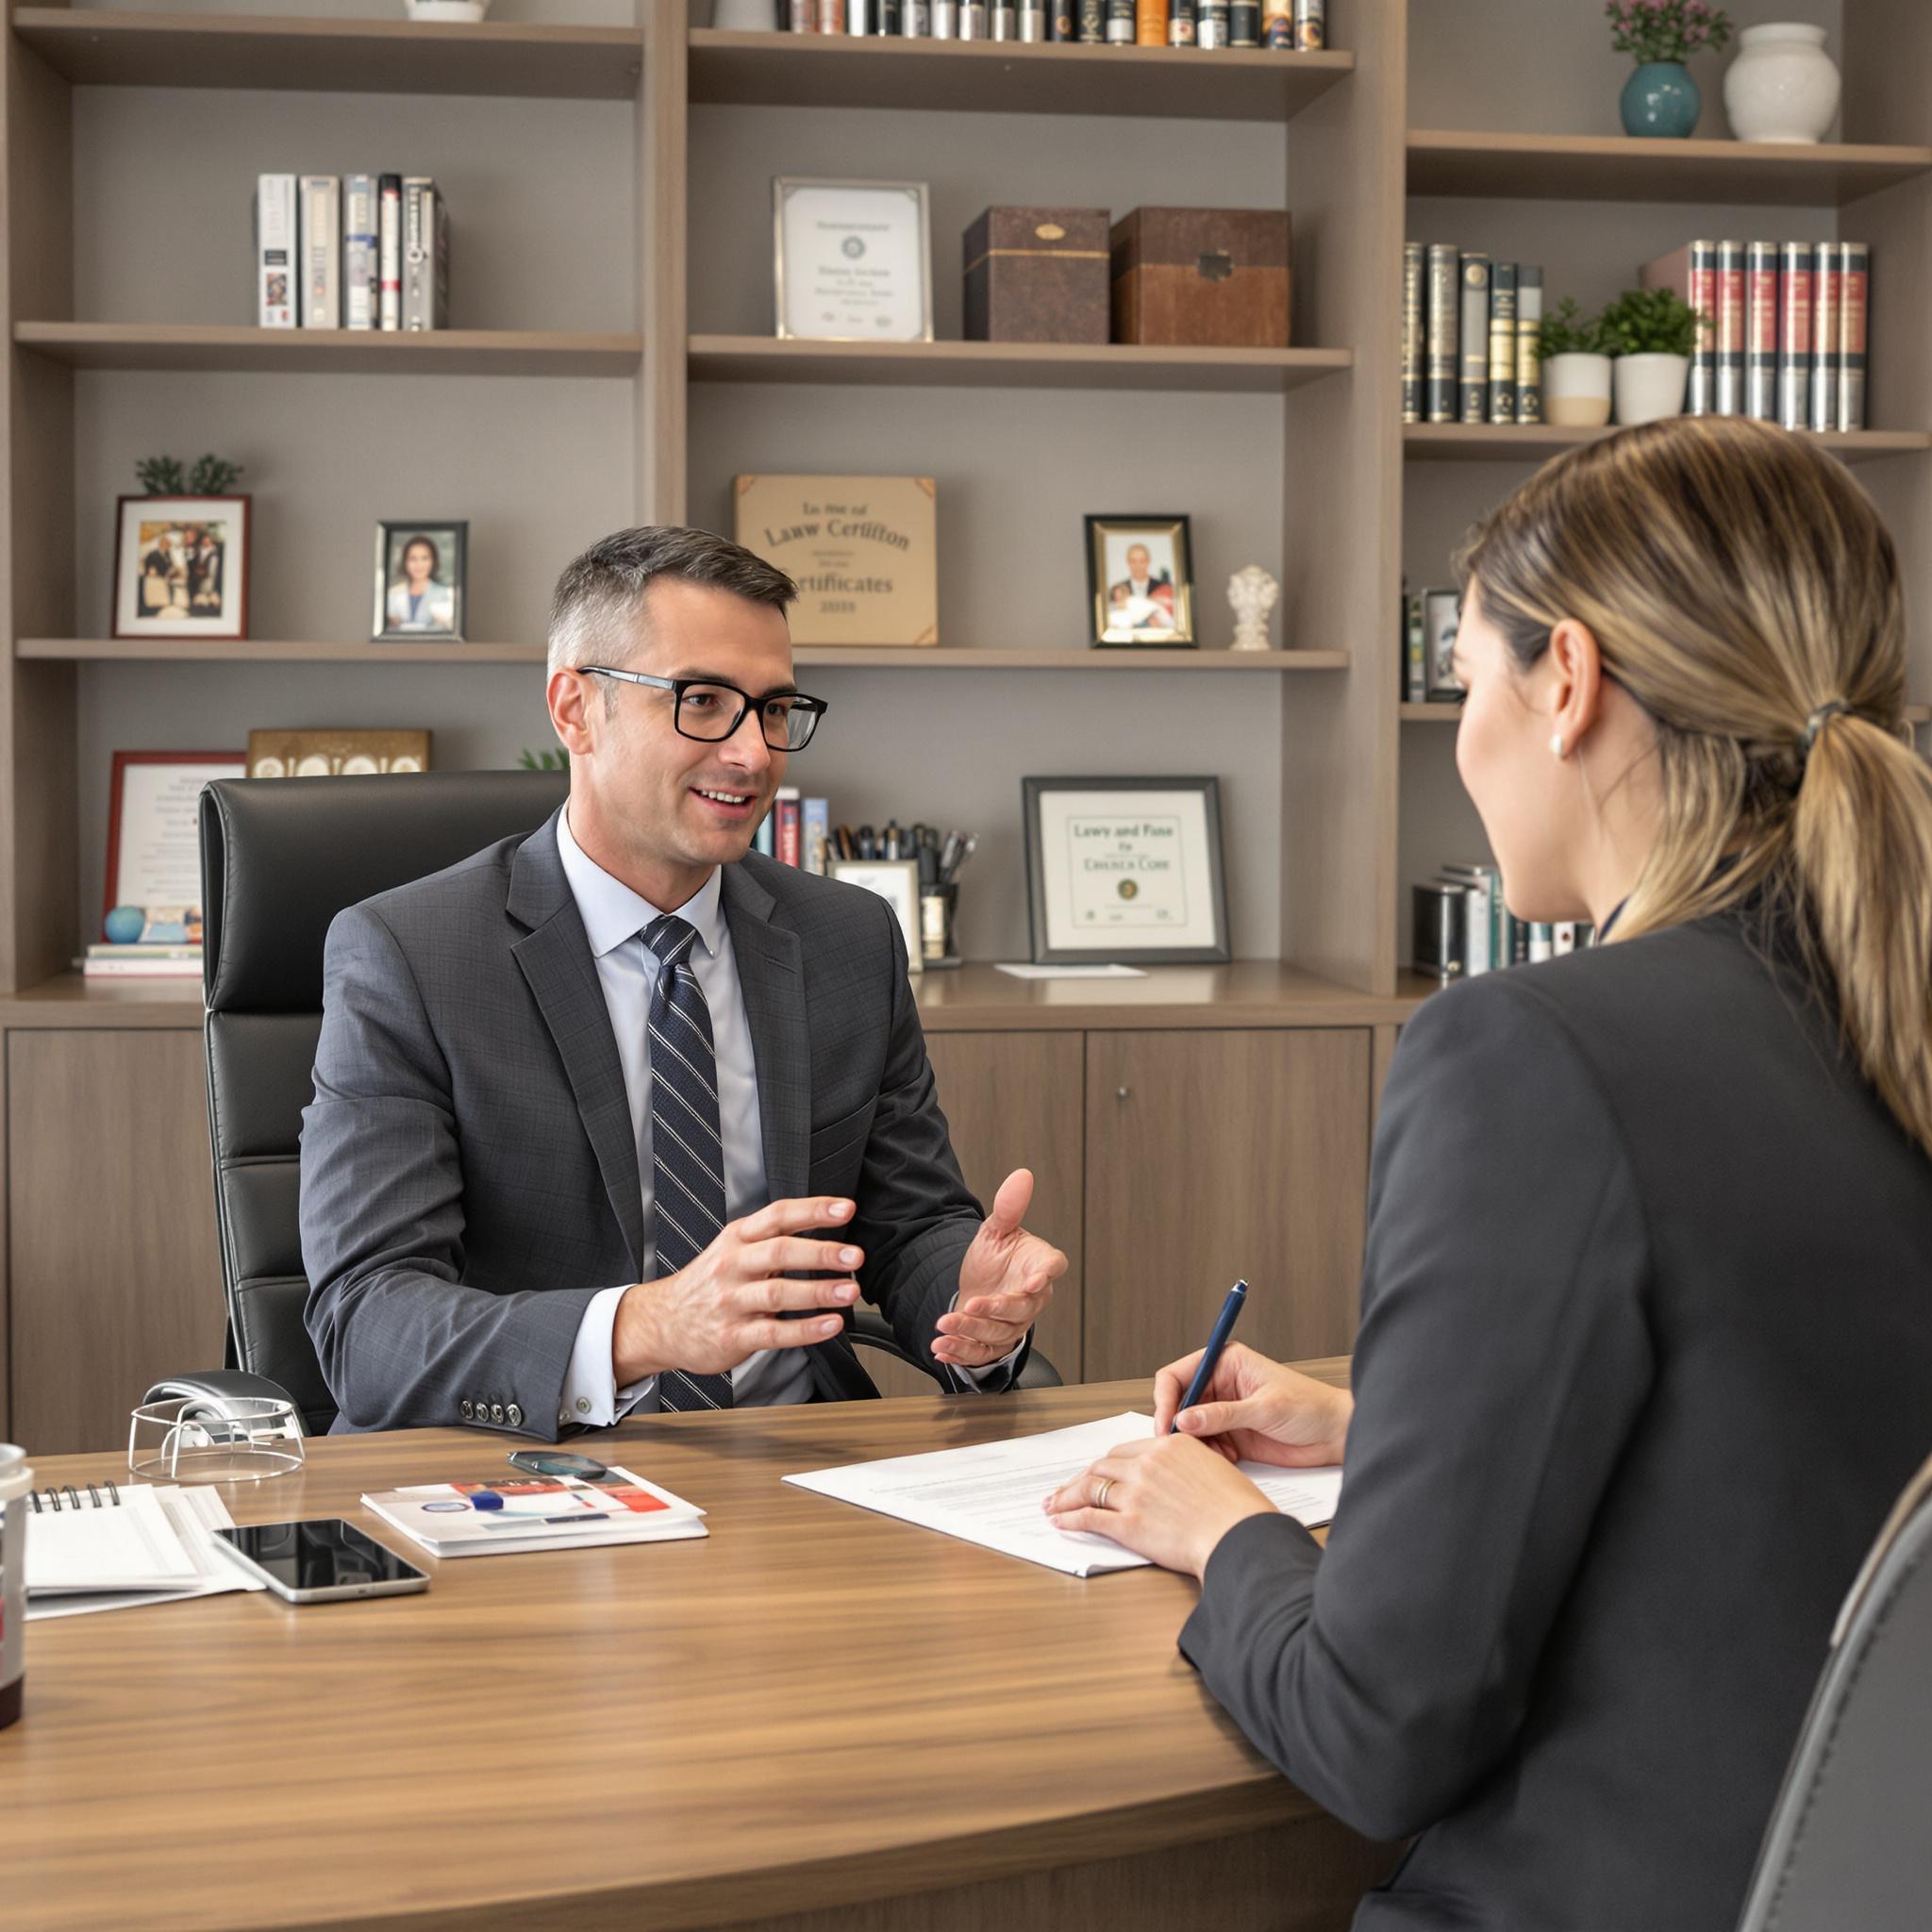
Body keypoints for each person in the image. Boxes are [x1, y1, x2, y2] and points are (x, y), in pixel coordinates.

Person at [1046, 415, 1932, 1930]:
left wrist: (1220, 1529)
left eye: (1465, 680)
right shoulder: (1885, 1010)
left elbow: (1375, 1730)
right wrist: (1383, 1422)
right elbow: (1792, 1434)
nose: (1463, 738)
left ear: (1568, 684)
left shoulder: (1533, 1054)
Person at [303, 525, 1065, 1438]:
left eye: (774, 708)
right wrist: (648, 1325)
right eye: (701, 700)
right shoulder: (408, 954)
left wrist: (971, 1304)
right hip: (528, 1476)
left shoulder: (845, 938)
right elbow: (368, 1324)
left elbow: (909, 1226)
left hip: (796, 1475)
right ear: (574, 709)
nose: (751, 752)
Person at [385, 533, 456, 631]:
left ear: (433, 561)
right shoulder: (393, 595)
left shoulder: (445, 594)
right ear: (405, 562)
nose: (419, 564)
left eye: (424, 558)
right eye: (413, 559)